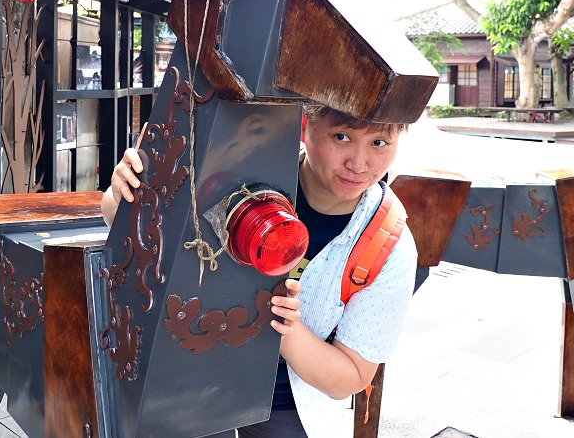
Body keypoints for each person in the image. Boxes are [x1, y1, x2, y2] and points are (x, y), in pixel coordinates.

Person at [101, 104, 418, 437]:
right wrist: (125, 191)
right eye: (341, 137)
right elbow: (129, 231)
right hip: (191, 373)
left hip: (285, 403)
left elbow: (350, 377)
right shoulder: (243, 170)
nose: (359, 163)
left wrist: (282, 322)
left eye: (379, 143)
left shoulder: (388, 244)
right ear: (305, 126)